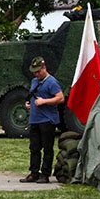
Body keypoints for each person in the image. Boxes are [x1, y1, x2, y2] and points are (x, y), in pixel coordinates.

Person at [21, 56, 64, 184]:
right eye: (34, 72)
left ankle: (45, 174)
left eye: (38, 71)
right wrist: (29, 104)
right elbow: (32, 96)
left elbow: (60, 98)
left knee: (47, 148)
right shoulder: (35, 81)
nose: (36, 74)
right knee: (34, 147)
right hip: (34, 120)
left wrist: (45, 101)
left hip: (47, 120)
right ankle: (34, 173)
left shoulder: (52, 82)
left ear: (44, 68)